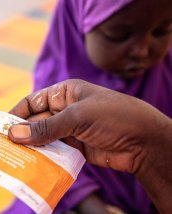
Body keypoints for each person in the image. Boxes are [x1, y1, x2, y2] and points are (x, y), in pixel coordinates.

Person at [31, 0, 172, 212]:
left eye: (162, 31)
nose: (142, 51)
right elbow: (49, 165)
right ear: (78, 23)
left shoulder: (166, 72)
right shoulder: (52, 92)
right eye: (118, 35)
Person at [8, 79, 172, 214]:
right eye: (116, 37)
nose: (140, 51)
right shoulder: (56, 85)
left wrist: (148, 146)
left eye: (160, 36)